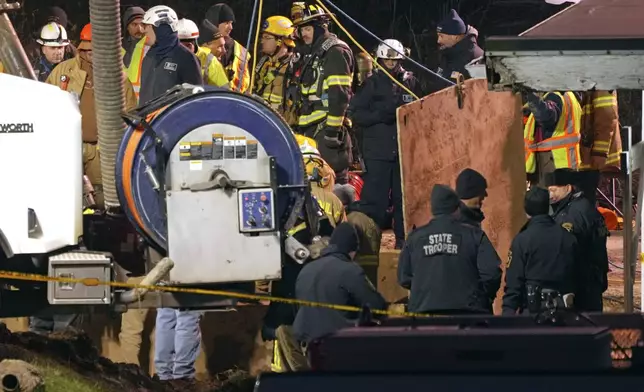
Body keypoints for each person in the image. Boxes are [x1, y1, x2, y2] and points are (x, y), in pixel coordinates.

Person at [46, 22, 137, 209]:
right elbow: (46, 106)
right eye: (89, 50)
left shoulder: (117, 77)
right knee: (68, 193)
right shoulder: (63, 71)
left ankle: (101, 233)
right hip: (71, 146)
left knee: (102, 195)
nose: (92, 54)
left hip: (100, 149)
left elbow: (129, 114)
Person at [348, 39, 421, 249]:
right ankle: (370, 244)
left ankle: (403, 241)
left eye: (394, 61)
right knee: (375, 201)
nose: (390, 64)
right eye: (386, 61)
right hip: (378, 153)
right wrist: (381, 114)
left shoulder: (410, 82)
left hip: (403, 151)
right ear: (379, 60)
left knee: (403, 199)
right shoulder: (371, 84)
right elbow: (357, 115)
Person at [398, 184, 502, 314]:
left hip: (425, 315)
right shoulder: (474, 235)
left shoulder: (415, 238)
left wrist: (426, 291)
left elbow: (404, 278)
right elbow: (492, 273)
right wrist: (481, 298)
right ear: (456, 209)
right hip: (468, 314)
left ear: (434, 209)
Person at [293, 222, 386, 362]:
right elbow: (377, 306)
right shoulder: (350, 271)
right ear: (352, 250)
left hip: (309, 346)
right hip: (339, 346)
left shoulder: (306, 270)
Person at [292, 4, 354, 185]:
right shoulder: (311, 53)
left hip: (326, 132)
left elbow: (339, 95)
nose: (304, 34)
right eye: (301, 29)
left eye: (308, 28)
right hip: (310, 129)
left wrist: (332, 133)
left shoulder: (335, 51)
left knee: (333, 187)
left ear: (320, 27)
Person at [502, 187, 578, 315]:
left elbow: (514, 282)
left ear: (526, 211)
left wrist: (507, 314)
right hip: (562, 313)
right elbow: (577, 276)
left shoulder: (522, 240)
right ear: (547, 207)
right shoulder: (568, 238)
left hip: (532, 314)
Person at [546, 168, 609, 312]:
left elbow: (566, 249)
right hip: (593, 278)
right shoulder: (584, 206)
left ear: (568, 188)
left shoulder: (572, 214)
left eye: (554, 190)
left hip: (581, 281)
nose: (550, 194)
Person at [139, 5, 202, 105]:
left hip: (173, 120)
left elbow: (195, 100)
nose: (143, 31)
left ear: (161, 28)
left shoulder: (187, 59)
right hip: (150, 120)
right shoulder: (149, 57)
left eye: (147, 26)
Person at [523, 89, 583, 187]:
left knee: (547, 199)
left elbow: (547, 115)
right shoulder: (571, 97)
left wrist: (532, 98)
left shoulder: (555, 96)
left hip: (552, 161)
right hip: (566, 161)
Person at [577, 90, 622, 205]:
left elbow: (606, 118)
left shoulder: (601, 84)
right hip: (590, 157)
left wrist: (599, 152)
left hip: (597, 159)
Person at [254, 16, 298, 126]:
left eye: (267, 37)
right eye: (262, 37)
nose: (262, 41)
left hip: (285, 128)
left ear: (281, 41)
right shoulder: (263, 63)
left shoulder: (296, 66)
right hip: (262, 123)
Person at [202, 3, 251, 92]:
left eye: (231, 23)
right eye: (227, 23)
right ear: (214, 22)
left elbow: (246, 85)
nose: (231, 27)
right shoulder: (198, 47)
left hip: (232, 101)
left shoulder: (241, 51)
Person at [434, 9, 483, 87]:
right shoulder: (446, 53)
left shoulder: (477, 58)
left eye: (441, 36)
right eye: (438, 36)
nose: (438, 40)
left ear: (455, 37)